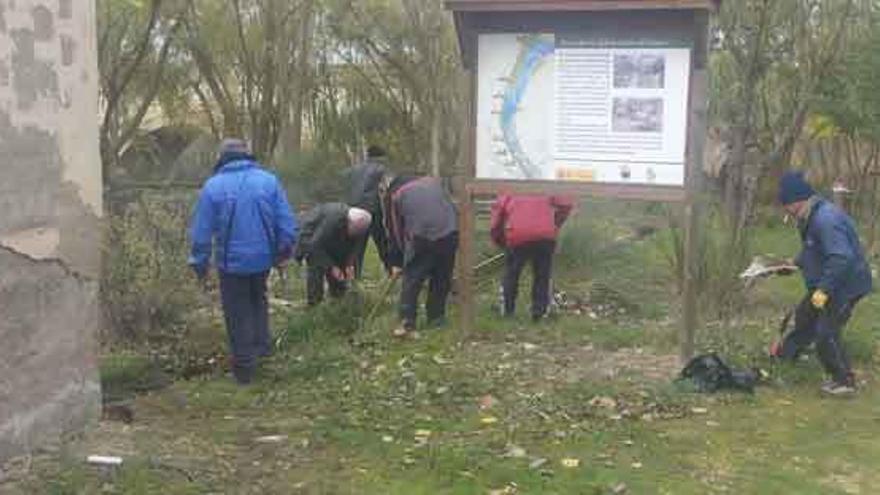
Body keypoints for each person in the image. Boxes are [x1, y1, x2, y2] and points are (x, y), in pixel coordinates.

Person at [189, 138, 298, 385]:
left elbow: (201, 232)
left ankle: (245, 369)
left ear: (222, 158)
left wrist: (199, 263)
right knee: (258, 299)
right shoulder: (269, 181)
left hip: (231, 262)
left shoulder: (213, 186)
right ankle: (262, 350)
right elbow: (286, 223)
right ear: (247, 156)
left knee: (237, 312)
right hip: (262, 259)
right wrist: (282, 253)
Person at [770, 171, 872, 395]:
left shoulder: (825, 220)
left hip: (845, 284)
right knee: (805, 316)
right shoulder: (809, 216)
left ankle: (844, 381)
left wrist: (824, 290)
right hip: (829, 280)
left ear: (796, 201)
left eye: (785, 204)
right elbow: (813, 248)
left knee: (827, 333)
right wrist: (792, 263)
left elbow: (840, 258)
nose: (785, 210)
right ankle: (785, 357)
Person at [384, 175, 458, 337]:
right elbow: (451, 208)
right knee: (442, 277)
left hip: (422, 237)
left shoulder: (395, 195)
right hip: (451, 232)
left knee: (412, 279)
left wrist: (399, 260)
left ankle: (407, 321)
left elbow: (395, 229)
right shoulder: (434, 182)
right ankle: (436, 318)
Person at [490, 193, 574, 321]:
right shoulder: (545, 185)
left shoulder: (510, 186)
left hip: (517, 234)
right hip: (544, 235)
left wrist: (499, 238)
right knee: (542, 275)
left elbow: (498, 216)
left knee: (512, 273)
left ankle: (507, 311)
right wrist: (555, 224)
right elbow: (566, 204)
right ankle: (539, 312)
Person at [293, 203, 373, 306]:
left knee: (340, 264)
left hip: (331, 240)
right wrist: (331, 267)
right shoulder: (332, 222)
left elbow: (355, 247)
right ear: (348, 222)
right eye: (353, 231)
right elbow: (316, 247)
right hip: (312, 239)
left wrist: (350, 263)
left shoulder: (363, 225)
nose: (355, 234)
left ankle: (338, 299)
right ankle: (314, 305)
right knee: (316, 266)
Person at [345, 145, 391, 276]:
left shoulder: (353, 170)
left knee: (357, 245)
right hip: (372, 210)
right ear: (380, 157)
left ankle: (355, 275)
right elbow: (388, 187)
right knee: (382, 242)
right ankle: (391, 270)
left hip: (353, 210)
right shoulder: (380, 169)